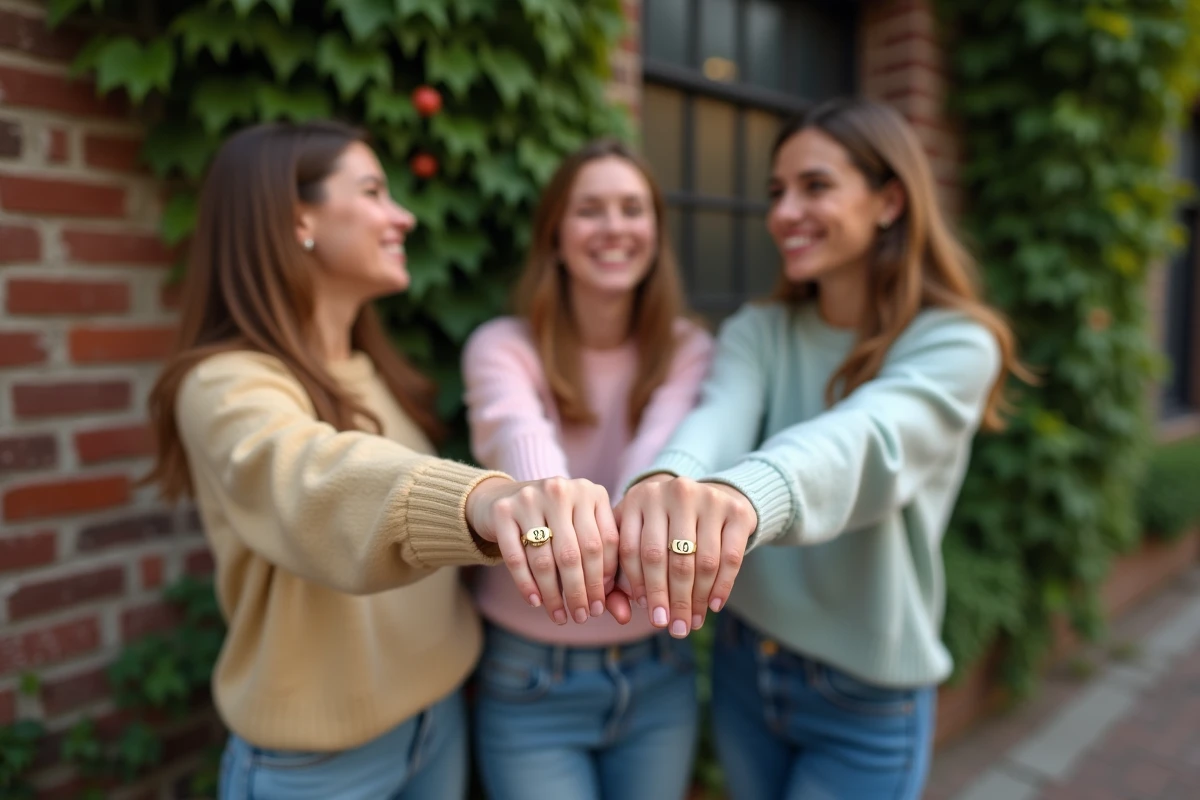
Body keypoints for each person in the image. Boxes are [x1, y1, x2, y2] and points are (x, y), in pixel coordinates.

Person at [144, 120, 626, 800]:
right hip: (320, 766)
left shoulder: (369, 371)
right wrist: (490, 503)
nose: (401, 215)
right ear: (297, 218)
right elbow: (315, 479)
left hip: (436, 719)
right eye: (372, 191)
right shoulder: (225, 384)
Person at [617, 97, 1030, 799]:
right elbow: (719, 416)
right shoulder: (761, 328)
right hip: (749, 663)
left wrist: (742, 493)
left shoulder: (957, 342)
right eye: (777, 192)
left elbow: (869, 439)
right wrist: (666, 480)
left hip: (866, 694)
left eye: (815, 186)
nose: (784, 213)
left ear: (889, 200)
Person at [461, 138, 714, 800]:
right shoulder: (502, 346)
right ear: (555, 235)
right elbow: (520, 441)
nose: (613, 228)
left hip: (660, 666)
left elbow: (658, 460)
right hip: (530, 674)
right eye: (590, 210)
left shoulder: (688, 348)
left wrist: (623, 513)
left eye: (632, 209)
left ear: (656, 232)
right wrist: (554, 503)